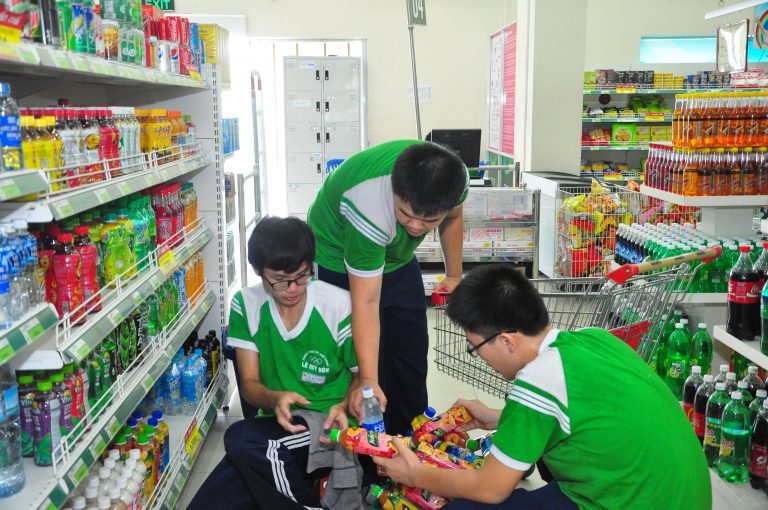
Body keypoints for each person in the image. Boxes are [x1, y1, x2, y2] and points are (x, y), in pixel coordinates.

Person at [373, 264, 712, 509]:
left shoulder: (538, 378)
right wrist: (499, 417)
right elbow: (587, 414)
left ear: (507, 341)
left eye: (476, 348)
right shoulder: (594, 339)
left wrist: (415, 474)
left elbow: (490, 489)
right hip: (678, 497)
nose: (480, 357)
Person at [188, 217, 359, 509]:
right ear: (258, 270)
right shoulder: (245, 304)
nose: (293, 288)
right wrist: (275, 398)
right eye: (280, 280)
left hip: (328, 424)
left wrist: (342, 406)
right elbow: (250, 384)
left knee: (240, 438)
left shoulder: (338, 304)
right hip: (275, 428)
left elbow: (361, 378)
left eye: (302, 276)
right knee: (207, 503)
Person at [307, 140, 468, 434]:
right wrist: (368, 381)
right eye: (407, 214)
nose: (416, 227)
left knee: (410, 352)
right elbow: (366, 303)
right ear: (394, 190)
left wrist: (454, 275)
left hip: (397, 256)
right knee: (362, 362)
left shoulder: (453, 179)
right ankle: (365, 444)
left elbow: (454, 217)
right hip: (338, 252)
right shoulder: (369, 205)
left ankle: (411, 438)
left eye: (429, 220)